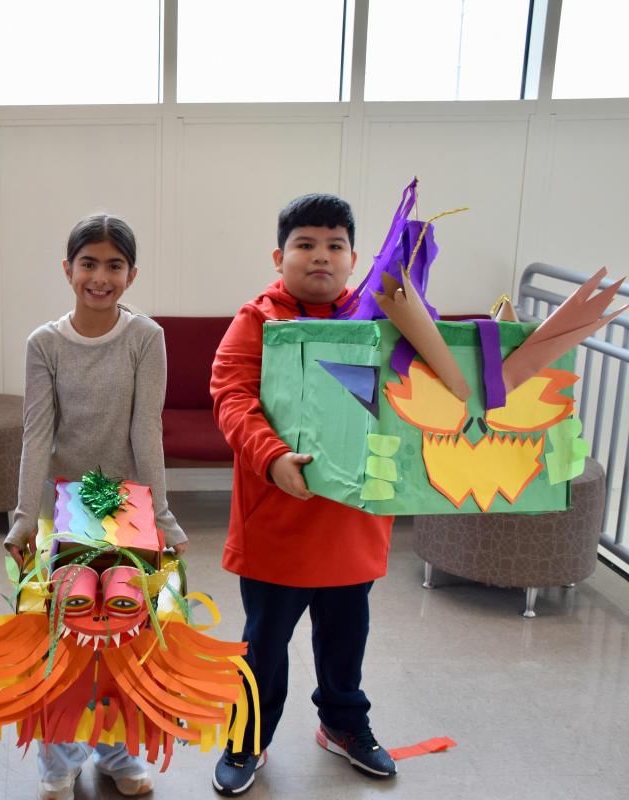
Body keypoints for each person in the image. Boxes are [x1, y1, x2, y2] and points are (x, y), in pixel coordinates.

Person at [208, 194, 397, 796]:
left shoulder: (378, 321)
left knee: (347, 635)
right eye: (306, 244)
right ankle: (247, 739)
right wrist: (272, 457)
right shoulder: (256, 321)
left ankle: (343, 725)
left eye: (334, 245)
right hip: (279, 517)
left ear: (353, 257)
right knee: (265, 642)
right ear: (280, 254)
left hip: (352, 520)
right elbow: (232, 399)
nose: (321, 257)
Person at [3, 213, 188, 800]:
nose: (100, 276)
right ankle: (59, 759)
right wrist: (24, 517)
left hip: (126, 505)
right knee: (64, 635)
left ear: (131, 274)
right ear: (68, 269)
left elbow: (146, 430)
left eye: (114, 265)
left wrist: (162, 518)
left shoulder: (145, 339)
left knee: (128, 634)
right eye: (89, 263)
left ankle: (119, 750)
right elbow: (37, 432)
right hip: (65, 506)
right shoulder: (46, 343)